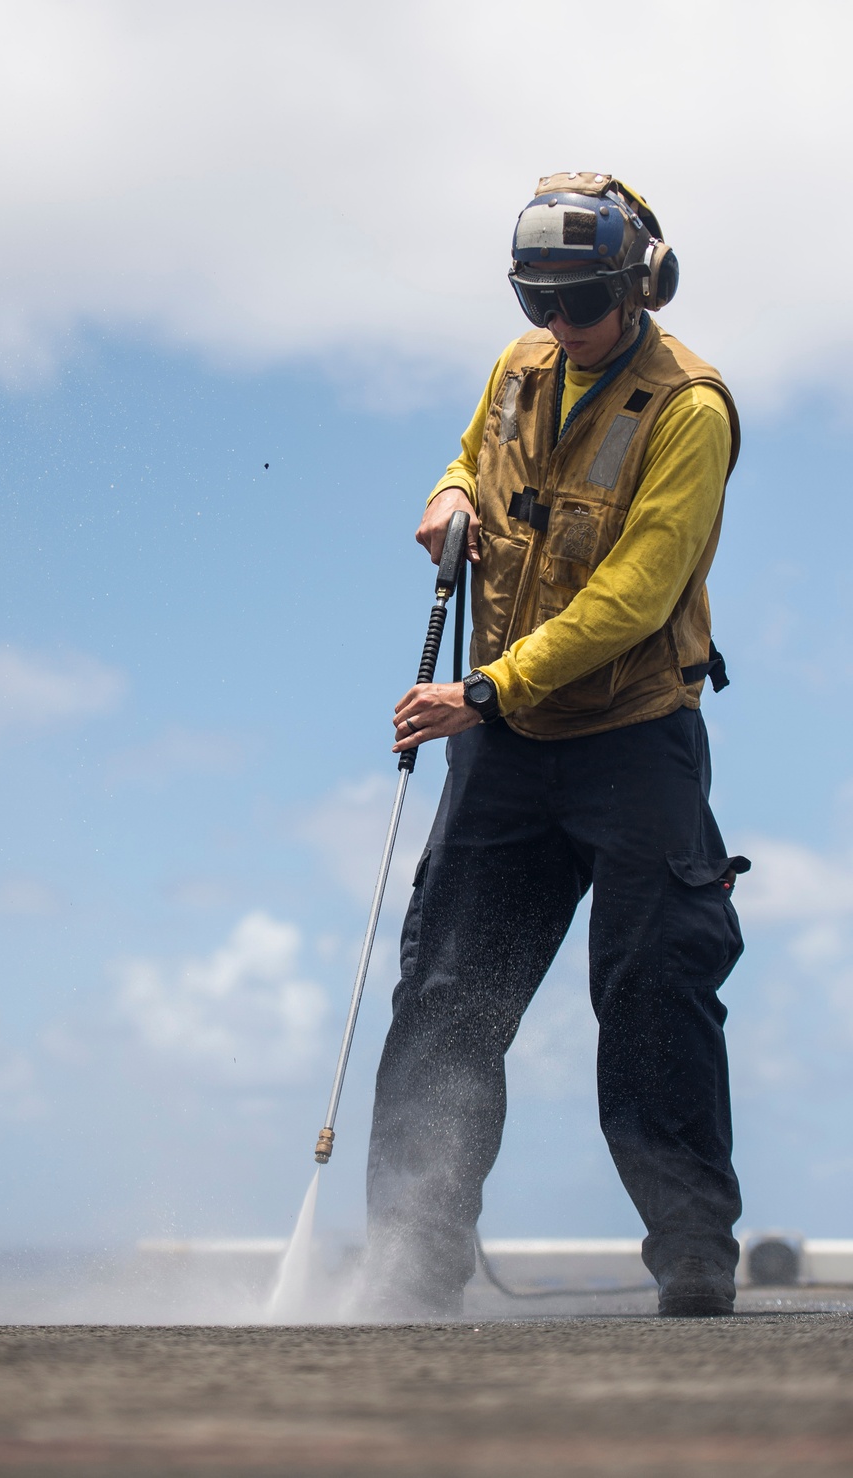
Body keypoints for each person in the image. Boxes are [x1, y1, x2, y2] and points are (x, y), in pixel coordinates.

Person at [363, 171, 749, 1320]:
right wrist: (444, 497)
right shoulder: (520, 366)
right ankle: (408, 1258)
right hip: (506, 743)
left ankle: (691, 1258)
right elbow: (471, 455)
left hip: (633, 740)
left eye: (581, 303)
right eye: (540, 303)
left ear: (640, 283)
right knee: (444, 996)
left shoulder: (688, 408)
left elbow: (639, 590)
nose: (559, 328)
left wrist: (486, 687)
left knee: (651, 992)